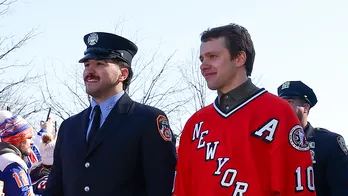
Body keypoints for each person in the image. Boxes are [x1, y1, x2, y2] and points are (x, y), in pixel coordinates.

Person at [173, 23, 316, 195]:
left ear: (240, 58)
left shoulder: (278, 112)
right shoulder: (195, 123)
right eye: (202, 59)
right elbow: (182, 189)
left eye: (213, 56)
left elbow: (296, 188)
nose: (204, 65)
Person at [44, 32, 177, 196]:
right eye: (86, 65)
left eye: (100, 63)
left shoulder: (148, 120)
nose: (90, 71)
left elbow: (160, 187)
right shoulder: (69, 126)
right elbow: (54, 188)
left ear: (123, 74)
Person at [278, 80, 348, 195]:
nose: (283, 107)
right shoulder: (268, 142)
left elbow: (342, 189)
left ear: (305, 107)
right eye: (281, 103)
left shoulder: (328, 143)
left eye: (290, 102)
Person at [0, 110, 35, 196]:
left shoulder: (4, 159)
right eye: (29, 137)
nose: (32, 142)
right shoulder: (13, 163)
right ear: (18, 138)